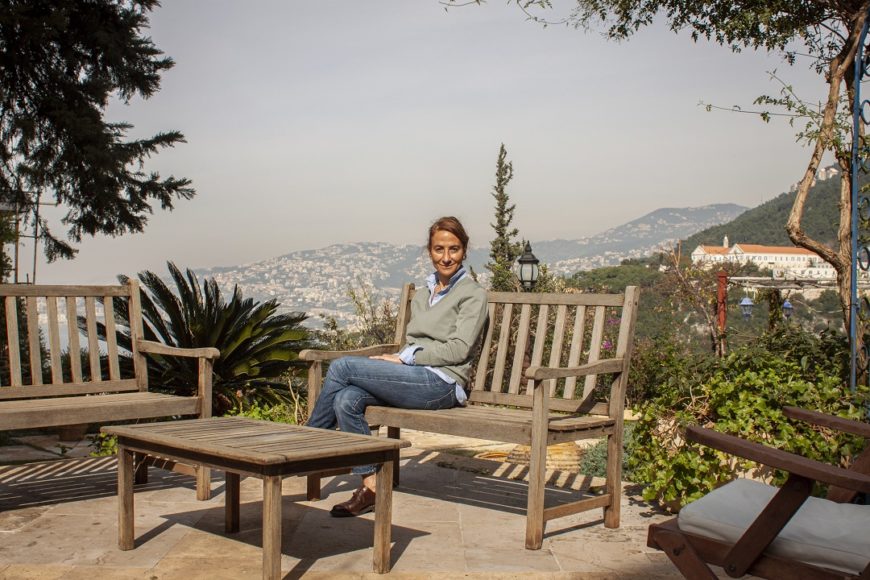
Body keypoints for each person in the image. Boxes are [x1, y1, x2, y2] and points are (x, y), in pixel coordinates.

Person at [306, 216, 489, 517]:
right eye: (439, 249)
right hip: (413, 377)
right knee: (346, 399)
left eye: (454, 249)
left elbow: (459, 349)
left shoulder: (473, 294)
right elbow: (414, 342)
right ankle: (372, 485)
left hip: (441, 384)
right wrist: (403, 358)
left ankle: (308, 444)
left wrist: (407, 357)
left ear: (464, 251)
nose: (446, 257)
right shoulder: (423, 293)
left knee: (341, 368)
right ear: (429, 251)